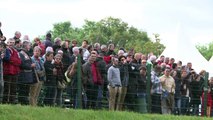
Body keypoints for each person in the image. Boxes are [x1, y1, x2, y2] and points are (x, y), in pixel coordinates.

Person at [3, 38, 21, 104]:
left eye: (13, 43)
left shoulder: (16, 51)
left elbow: (19, 61)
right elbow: (7, 59)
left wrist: (12, 60)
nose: (11, 44)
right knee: (7, 87)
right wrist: (14, 60)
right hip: (8, 71)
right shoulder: (6, 50)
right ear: (7, 43)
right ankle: (4, 102)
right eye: (10, 42)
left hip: (15, 72)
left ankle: (12, 101)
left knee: (13, 88)